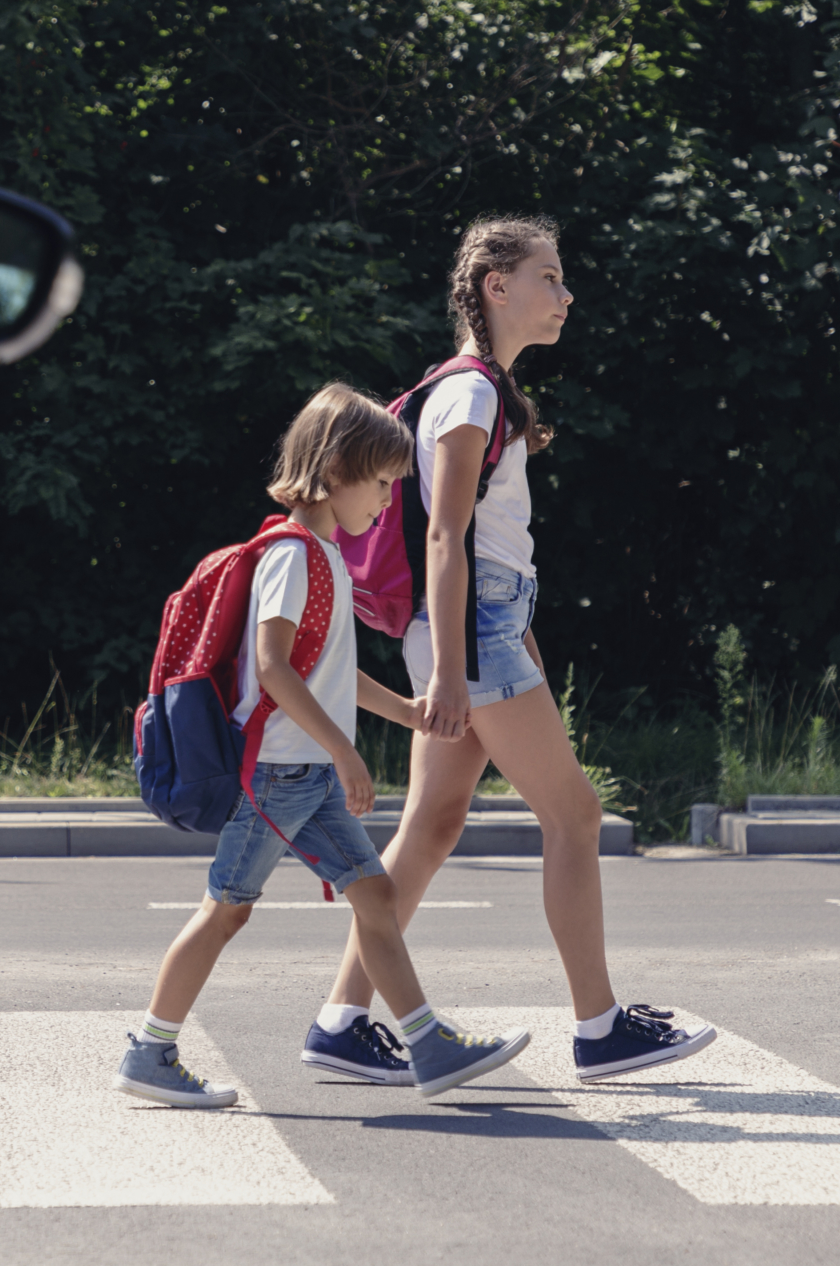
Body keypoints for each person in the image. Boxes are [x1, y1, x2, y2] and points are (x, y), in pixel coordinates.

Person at [300, 217, 718, 1086]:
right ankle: (600, 1027)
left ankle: (341, 1020)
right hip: (470, 631)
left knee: (433, 822)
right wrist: (457, 668)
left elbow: (484, 543)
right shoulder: (472, 394)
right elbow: (446, 537)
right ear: (496, 285)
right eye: (550, 277)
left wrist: (501, 640)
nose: (565, 295)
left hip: (484, 627)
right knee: (574, 817)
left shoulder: (479, 393)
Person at [115, 384, 534, 1109]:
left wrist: (404, 710)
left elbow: (329, 671)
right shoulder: (291, 553)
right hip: (278, 775)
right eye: (379, 485)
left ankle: (427, 1043)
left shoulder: (326, 557)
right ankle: (151, 1050)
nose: (384, 503)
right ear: (334, 470)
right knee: (227, 910)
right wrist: (346, 752)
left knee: (374, 894)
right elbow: (275, 667)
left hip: (300, 773)